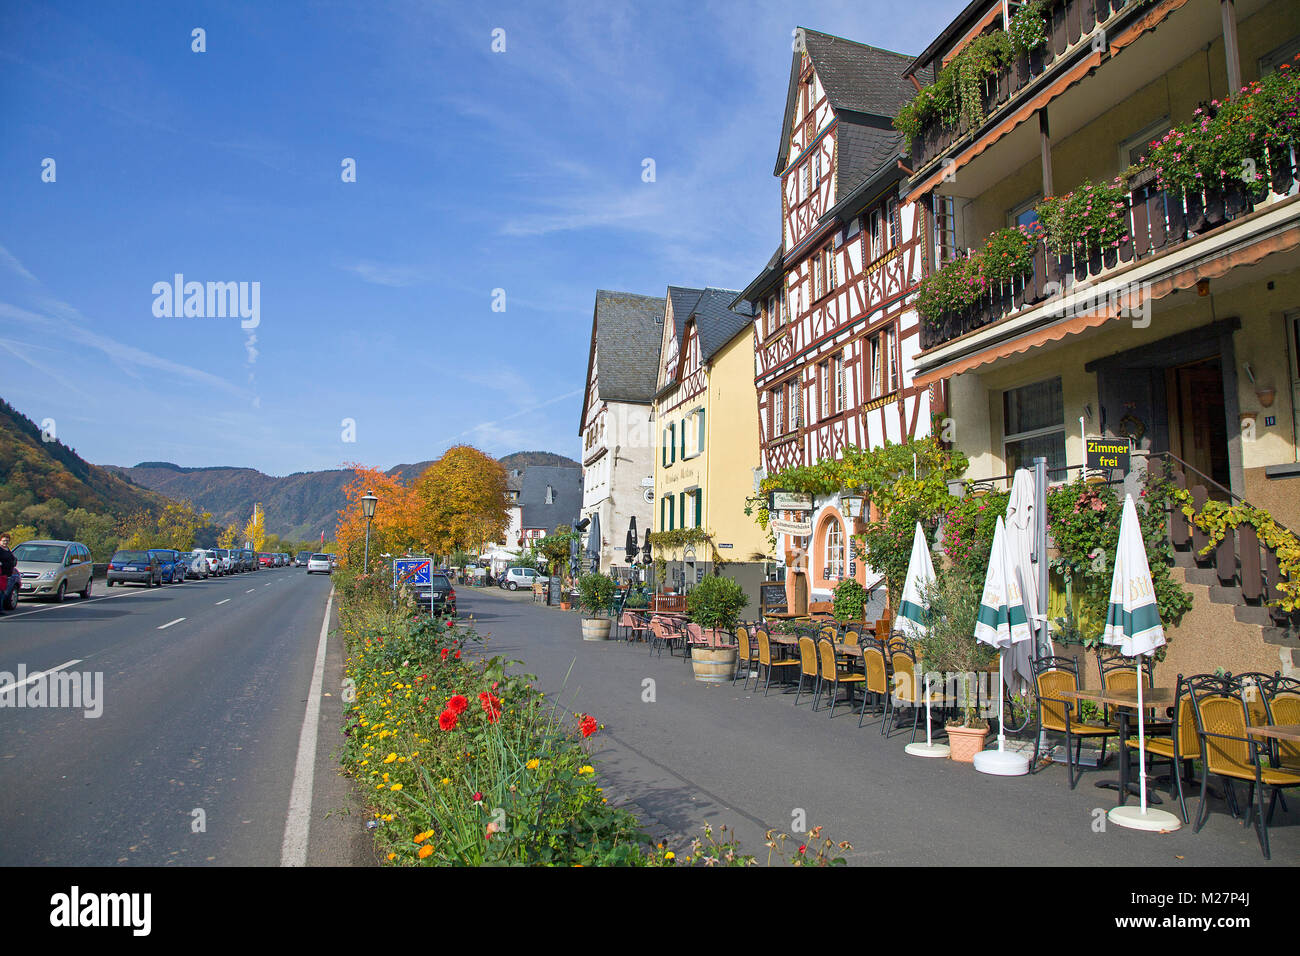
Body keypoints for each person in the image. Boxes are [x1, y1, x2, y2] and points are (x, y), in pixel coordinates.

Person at [0, 533, 19, 615]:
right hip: (0, 574)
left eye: (7, 541)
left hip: (7, 575)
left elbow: (12, 559)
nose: (5, 542)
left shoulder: (8, 549)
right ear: (0, 541)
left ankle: (1, 608)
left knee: (4, 593)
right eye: (4, 541)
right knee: (0, 592)